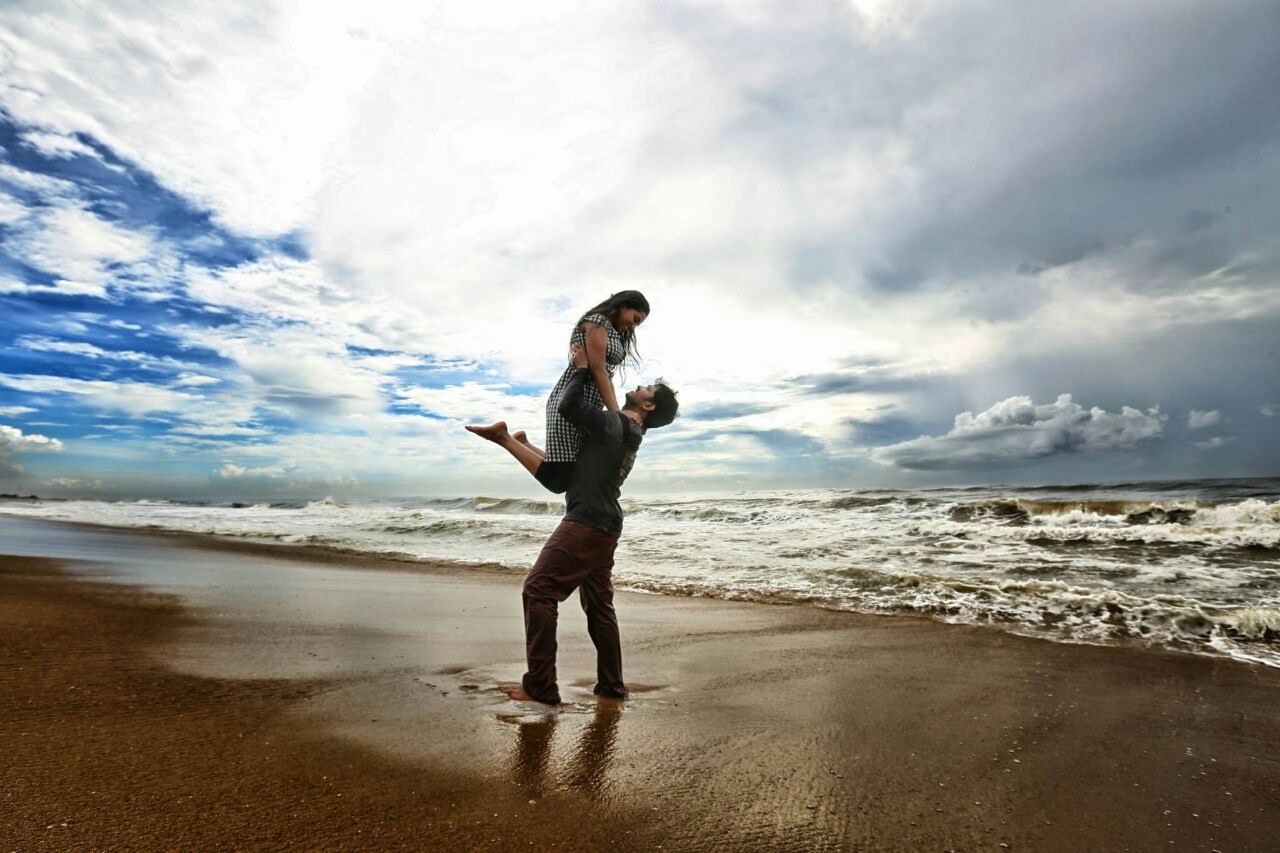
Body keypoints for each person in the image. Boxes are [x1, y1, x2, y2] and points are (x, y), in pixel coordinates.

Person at [494, 343, 678, 705]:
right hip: (606, 525)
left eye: (646, 389)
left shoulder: (619, 424)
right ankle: (611, 687)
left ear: (648, 405)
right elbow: (570, 473)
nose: (639, 387)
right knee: (599, 608)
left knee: (539, 589)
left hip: (589, 522)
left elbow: (570, 407)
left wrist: (580, 367)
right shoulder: (628, 433)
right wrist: (525, 445)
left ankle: (541, 687)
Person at [465, 291, 649, 493]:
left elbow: (607, 376)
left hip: (588, 403)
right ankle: (503, 437)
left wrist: (618, 417)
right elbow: (597, 370)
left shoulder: (614, 332)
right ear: (623, 305)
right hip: (571, 397)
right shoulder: (598, 323)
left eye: (638, 324)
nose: (634, 326)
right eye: (635, 319)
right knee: (558, 481)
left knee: (568, 468)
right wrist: (618, 417)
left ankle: (522, 442)